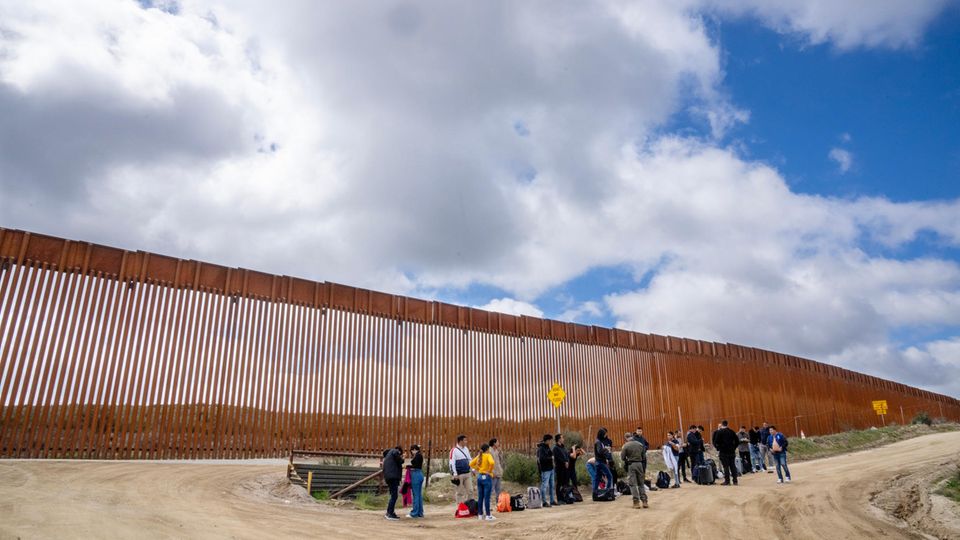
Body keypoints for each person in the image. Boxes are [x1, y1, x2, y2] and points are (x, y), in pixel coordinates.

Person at [620, 433, 649, 509]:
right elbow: (643, 456)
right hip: (640, 464)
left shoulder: (625, 446)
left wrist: (627, 460)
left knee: (633, 484)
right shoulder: (640, 444)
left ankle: (636, 502)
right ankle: (644, 501)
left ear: (626, 438)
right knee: (641, 484)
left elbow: (622, 458)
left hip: (631, 464)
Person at [470, 443, 497, 521]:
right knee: (487, 497)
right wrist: (489, 471)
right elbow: (492, 463)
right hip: (487, 477)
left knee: (480, 497)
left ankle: (480, 515)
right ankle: (488, 515)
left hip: (480, 477)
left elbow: (471, 463)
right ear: (487, 449)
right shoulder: (488, 455)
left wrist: (478, 469)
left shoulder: (479, 456)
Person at [713, 420, 740, 486]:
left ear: (722, 425)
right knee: (732, 466)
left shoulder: (719, 432)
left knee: (726, 467)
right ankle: (735, 481)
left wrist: (718, 448)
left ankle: (727, 481)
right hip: (731, 451)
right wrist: (734, 447)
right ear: (727, 424)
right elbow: (737, 441)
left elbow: (715, 442)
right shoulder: (732, 431)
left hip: (723, 452)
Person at [449, 435, 473, 503]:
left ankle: (469, 506)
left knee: (470, 491)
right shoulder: (454, 450)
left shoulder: (466, 449)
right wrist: (454, 474)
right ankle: (460, 507)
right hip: (459, 475)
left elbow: (469, 459)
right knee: (459, 492)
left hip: (467, 473)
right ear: (460, 441)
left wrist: (473, 469)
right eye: (465, 440)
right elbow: (451, 463)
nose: (466, 442)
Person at [382, 446, 403, 521]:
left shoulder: (388, 457)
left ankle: (390, 512)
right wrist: (402, 459)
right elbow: (400, 460)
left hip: (389, 477)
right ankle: (390, 513)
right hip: (393, 477)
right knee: (394, 496)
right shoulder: (394, 451)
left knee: (392, 495)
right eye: (400, 453)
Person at [536, 434, 557, 507]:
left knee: (552, 485)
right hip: (545, 470)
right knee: (544, 486)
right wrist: (551, 458)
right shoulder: (541, 449)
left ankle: (552, 500)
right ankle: (544, 501)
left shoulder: (547, 447)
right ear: (547, 440)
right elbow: (542, 459)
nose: (550, 442)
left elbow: (551, 455)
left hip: (551, 469)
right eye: (550, 440)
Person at [593, 428, 615, 495]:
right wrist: (605, 449)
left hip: (598, 462)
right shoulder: (598, 442)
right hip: (601, 462)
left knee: (597, 478)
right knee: (609, 476)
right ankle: (608, 491)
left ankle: (595, 492)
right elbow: (600, 451)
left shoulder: (598, 441)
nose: (606, 435)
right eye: (605, 434)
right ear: (601, 434)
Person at [406, 444, 425, 518]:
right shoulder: (419, 455)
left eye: (414, 450)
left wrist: (408, 466)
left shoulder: (417, 456)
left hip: (416, 475)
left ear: (415, 450)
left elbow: (415, 466)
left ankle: (414, 513)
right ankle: (420, 512)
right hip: (420, 474)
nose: (413, 451)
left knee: (415, 495)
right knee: (419, 495)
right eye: (412, 450)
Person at [552, 433, 570, 503]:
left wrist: (567, 462)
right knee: (559, 483)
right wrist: (564, 462)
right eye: (562, 438)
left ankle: (565, 497)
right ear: (559, 439)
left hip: (565, 468)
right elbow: (558, 458)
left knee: (565, 483)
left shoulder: (563, 447)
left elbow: (567, 455)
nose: (563, 439)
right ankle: (559, 499)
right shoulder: (555, 448)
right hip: (559, 468)